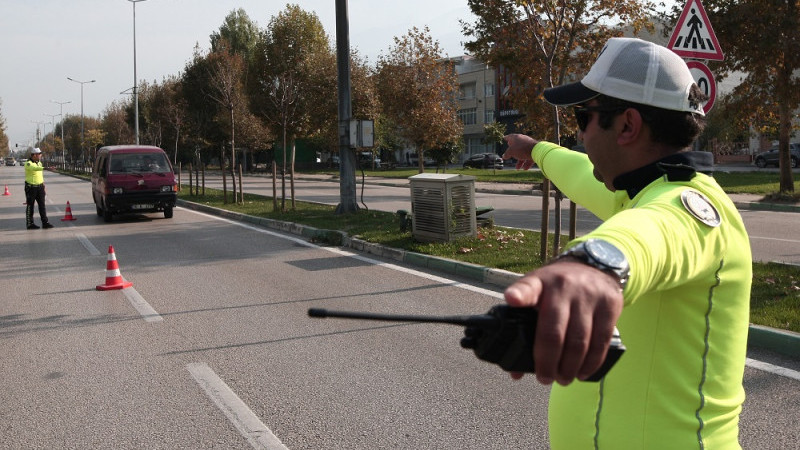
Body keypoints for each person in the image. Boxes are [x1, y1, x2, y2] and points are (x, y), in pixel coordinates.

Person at [501, 37, 751, 449]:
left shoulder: (692, 209)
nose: (580, 136)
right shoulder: (640, 189)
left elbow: (648, 238)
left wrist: (589, 269)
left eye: (583, 118)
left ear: (628, 125)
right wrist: (537, 150)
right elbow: (580, 171)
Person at [25, 148, 54, 230]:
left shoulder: (39, 163)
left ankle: (45, 222)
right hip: (31, 188)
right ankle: (30, 223)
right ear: (34, 155)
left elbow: (40, 175)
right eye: (39, 154)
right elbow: (35, 169)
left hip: (40, 187)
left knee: (42, 205)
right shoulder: (28, 163)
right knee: (30, 206)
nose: (40, 155)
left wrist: (43, 186)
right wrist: (47, 168)